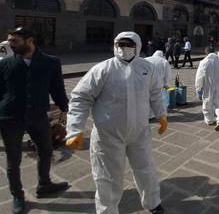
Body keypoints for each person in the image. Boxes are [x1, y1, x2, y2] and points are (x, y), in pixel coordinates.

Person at [65, 32, 167, 214]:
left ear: (138, 46)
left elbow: (155, 94)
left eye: (129, 44)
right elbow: (80, 97)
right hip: (108, 136)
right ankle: (107, 211)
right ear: (114, 45)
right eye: (120, 44)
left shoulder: (147, 68)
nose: (124, 48)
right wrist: (75, 129)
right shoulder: (103, 69)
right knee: (107, 178)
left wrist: (162, 115)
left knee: (146, 170)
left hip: (139, 133)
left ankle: (153, 202)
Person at [0, 28, 69, 214]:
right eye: (9, 41)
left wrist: (64, 108)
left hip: (38, 116)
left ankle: (44, 184)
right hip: (10, 117)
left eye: (14, 41)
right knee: (13, 160)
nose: (10, 45)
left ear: (29, 41)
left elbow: (57, 87)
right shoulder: (5, 64)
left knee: (46, 150)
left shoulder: (50, 62)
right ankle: (17, 196)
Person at [195, 46, 219, 130]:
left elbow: (199, 77)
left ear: (206, 53)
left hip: (208, 87)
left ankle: (210, 120)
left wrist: (198, 88)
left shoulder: (204, 62)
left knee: (207, 104)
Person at [146, 50, 173, 115]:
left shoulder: (146, 59)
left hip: (146, 82)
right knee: (158, 100)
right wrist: (167, 84)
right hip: (158, 84)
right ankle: (157, 114)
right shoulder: (164, 62)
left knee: (147, 98)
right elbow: (168, 74)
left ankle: (148, 114)